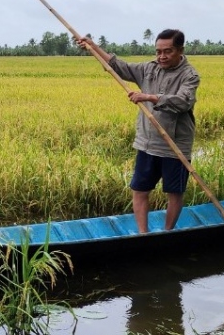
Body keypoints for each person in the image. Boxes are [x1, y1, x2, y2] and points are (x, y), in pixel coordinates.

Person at [76, 29, 199, 233]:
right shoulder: (149, 69)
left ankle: (168, 232)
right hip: (147, 142)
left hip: (174, 145)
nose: (161, 56)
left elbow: (184, 102)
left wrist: (149, 97)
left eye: (167, 52)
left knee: (174, 192)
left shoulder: (190, 75)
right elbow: (118, 66)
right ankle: (143, 234)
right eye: (158, 51)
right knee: (140, 190)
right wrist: (93, 47)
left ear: (180, 50)